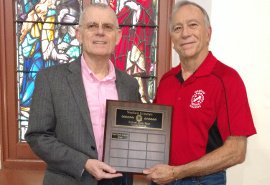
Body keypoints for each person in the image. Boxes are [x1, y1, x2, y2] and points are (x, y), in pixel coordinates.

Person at [25, 3, 140, 185]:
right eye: (92, 26)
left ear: (118, 36)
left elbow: (136, 135)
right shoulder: (50, 79)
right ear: (79, 34)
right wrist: (83, 163)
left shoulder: (130, 85)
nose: (100, 32)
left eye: (108, 27)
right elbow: (37, 136)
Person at [143, 1, 256, 185]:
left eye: (193, 25)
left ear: (208, 34)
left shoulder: (227, 79)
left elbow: (237, 151)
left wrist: (177, 172)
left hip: (203, 181)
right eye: (177, 28)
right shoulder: (166, 81)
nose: (185, 33)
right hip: (162, 178)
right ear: (172, 38)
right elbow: (155, 132)